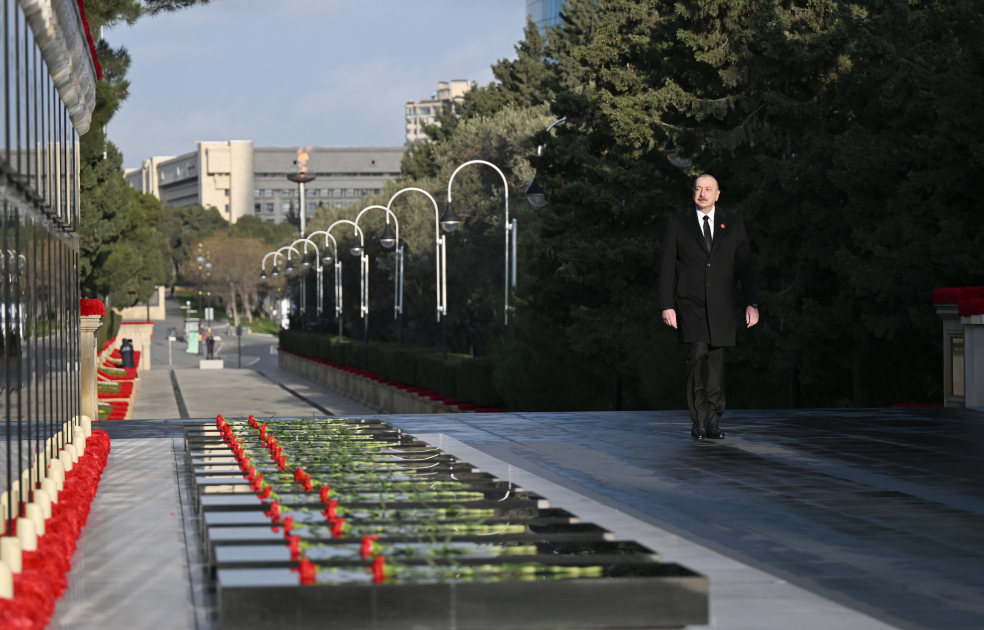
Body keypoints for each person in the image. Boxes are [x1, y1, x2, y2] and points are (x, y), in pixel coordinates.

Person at [658, 174, 760, 441]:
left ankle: (714, 420)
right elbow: (667, 266)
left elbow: (746, 266)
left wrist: (753, 303)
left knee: (716, 361)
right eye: (698, 189)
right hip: (689, 303)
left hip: (722, 304)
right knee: (698, 353)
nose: (702, 193)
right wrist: (667, 305)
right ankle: (699, 419)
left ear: (718, 194)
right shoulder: (677, 222)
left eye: (708, 189)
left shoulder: (734, 224)